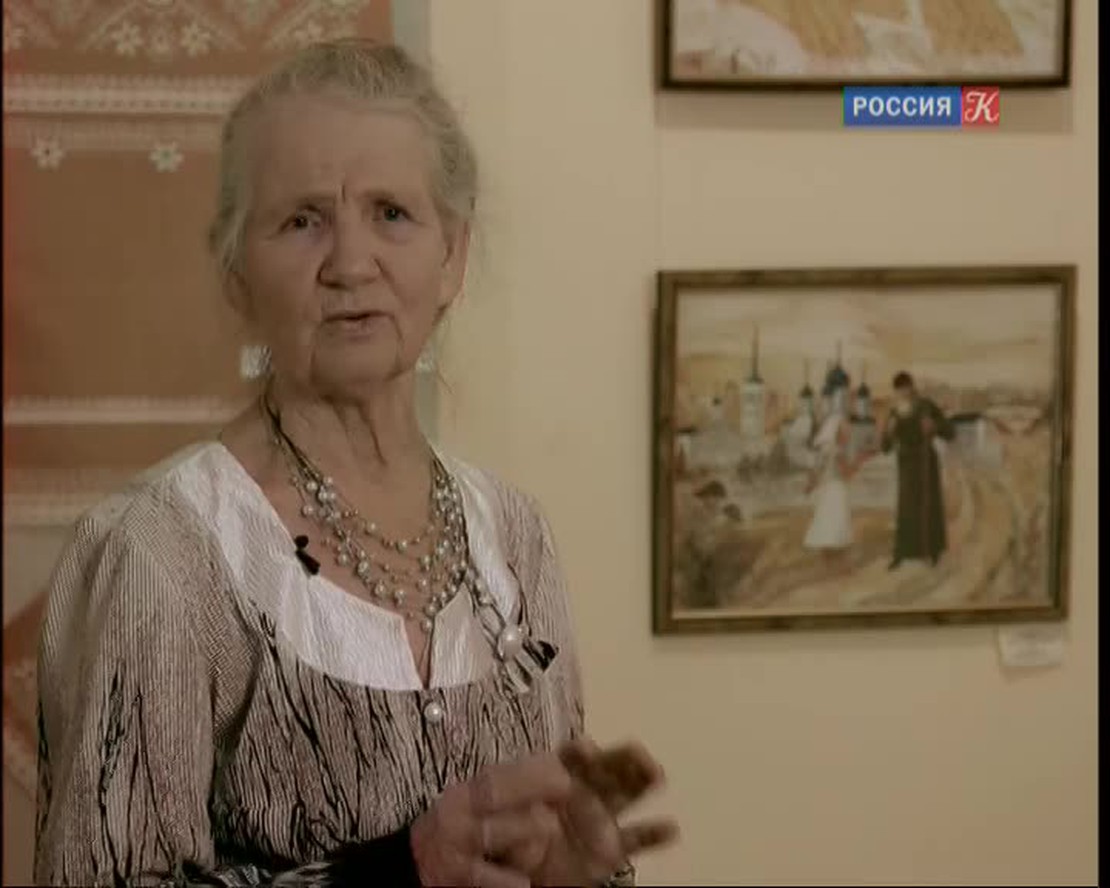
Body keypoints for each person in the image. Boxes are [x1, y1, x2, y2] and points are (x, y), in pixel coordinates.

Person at [34, 40, 677, 887]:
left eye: (392, 214)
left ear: (452, 256)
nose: (349, 264)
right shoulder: (163, 553)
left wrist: (565, 875)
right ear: (237, 272)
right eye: (302, 220)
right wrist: (400, 872)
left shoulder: (513, 535)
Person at [881, 371, 955, 570]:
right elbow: (885, 447)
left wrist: (934, 426)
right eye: (899, 390)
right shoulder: (895, 412)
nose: (903, 393)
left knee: (928, 506)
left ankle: (932, 551)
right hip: (906, 465)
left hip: (925, 462)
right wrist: (889, 431)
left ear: (912, 387)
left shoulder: (926, 406)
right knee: (906, 509)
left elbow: (950, 432)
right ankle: (902, 553)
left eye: (906, 388)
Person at [803, 384, 858, 570]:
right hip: (836, 488)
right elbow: (846, 473)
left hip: (828, 489)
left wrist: (811, 484)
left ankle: (829, 560)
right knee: (837, 522)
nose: (847, 433)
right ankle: (836, 561)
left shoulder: (827, 449)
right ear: (837, 432)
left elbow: (817, 469)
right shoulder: (838, 451)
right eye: (844, 431)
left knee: (827, 521)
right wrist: (859, 462)